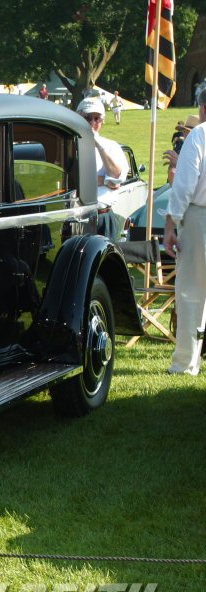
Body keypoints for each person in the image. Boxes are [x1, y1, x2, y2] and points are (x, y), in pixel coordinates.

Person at [163, 85, 206, 375]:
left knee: (191, 291)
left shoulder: (200, 135)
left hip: (199, 216)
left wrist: (170, 224)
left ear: (202, 108)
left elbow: (185, 184)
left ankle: (186, 362)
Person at [76, 97, 128, 197]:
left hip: (103, 211)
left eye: (97, 119)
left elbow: (116, 179)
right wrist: (104, 180)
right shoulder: (68, 144)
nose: (92, 123)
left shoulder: (112, 146)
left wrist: (99, 146)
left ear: (102, 121)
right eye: (87, 117)